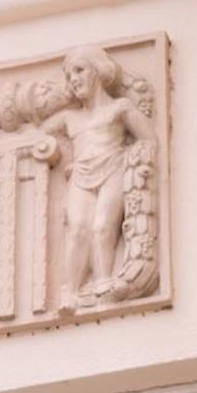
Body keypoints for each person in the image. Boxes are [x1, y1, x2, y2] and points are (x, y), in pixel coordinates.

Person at [44, 45, 155, 309]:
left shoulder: (120, 108)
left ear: (98, 70)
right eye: (70, 75)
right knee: (78, 228)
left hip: (114, 167)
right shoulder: (69, 117)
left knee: (103, 225)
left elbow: (148, 139)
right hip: (81, 174)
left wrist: (138, 164)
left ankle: (103, 281)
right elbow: (38, 135)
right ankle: (70, 292)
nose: (74, 79)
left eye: (79, 70)